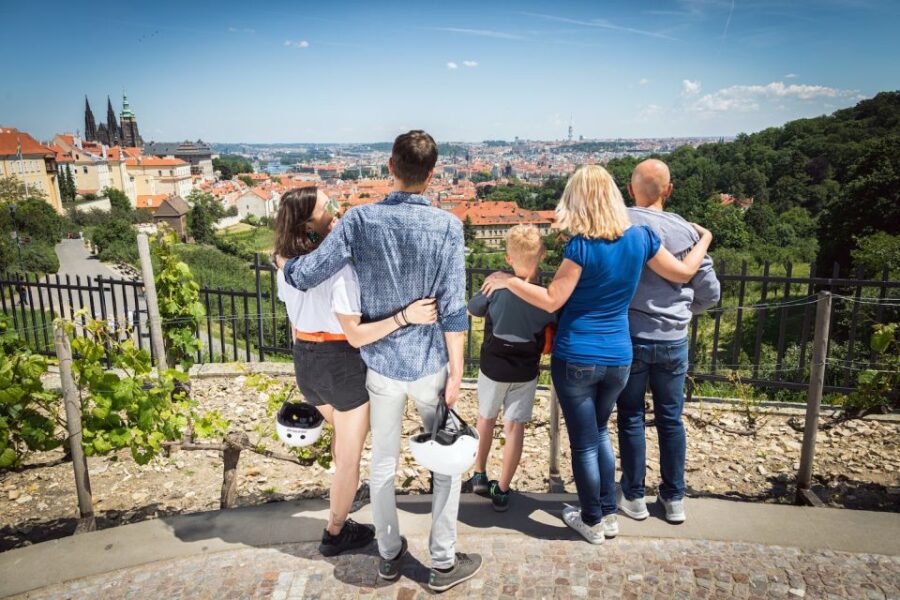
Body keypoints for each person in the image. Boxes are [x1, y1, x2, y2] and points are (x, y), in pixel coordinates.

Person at [278, 131, 481, 592]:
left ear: (390, 167)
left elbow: (308, 273)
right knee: (444, 460)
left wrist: (283, 264)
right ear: (432, 176)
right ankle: (443, 560)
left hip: (381, 364)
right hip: (429, 362)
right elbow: (452, 308)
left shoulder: (359, 221)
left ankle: (389, 554)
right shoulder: (448, 227)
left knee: (383, 463)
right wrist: (457, 370)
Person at [482, 165, 712, 545]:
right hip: (619, 355)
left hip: (577, 355)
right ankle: (607, 512)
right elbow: (685, 272)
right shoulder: (641, 238)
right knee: (600, 433)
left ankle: (592, 519)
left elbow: (554, 298)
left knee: (585, 442)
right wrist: (705, 237)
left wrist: (510, 281)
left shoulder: (581, 246)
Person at [274, 186, 438, 557]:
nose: (334, 210)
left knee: (342, 441)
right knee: (350, 458)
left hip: (305, 360)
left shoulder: (286, 264)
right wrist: (404, 317)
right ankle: (335, 531)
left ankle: (343, 499)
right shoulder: (339, 270)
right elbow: (356, 333)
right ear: (308, 224)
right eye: (325, 208)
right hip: (340, 362)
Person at [616, 159, 721, 525]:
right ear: (669, 190)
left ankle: (633, 495)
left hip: (629, 335)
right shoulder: (685, 232)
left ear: (630, 190)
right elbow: (710, 292)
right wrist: (684, 308)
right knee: (670, 419)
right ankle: (674, 497)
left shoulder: (617, 222)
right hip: (673, 338)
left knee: (630, 417)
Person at [465, 224, 556, 512]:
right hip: (525, 370)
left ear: (508, 259)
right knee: (515, 427)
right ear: (541, 255)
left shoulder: (496, 287)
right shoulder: (545, 298)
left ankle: (479, 474)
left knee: (486, 418)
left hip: (493, 366)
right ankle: (502, 490)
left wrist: (498, 282)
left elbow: (472, 309)